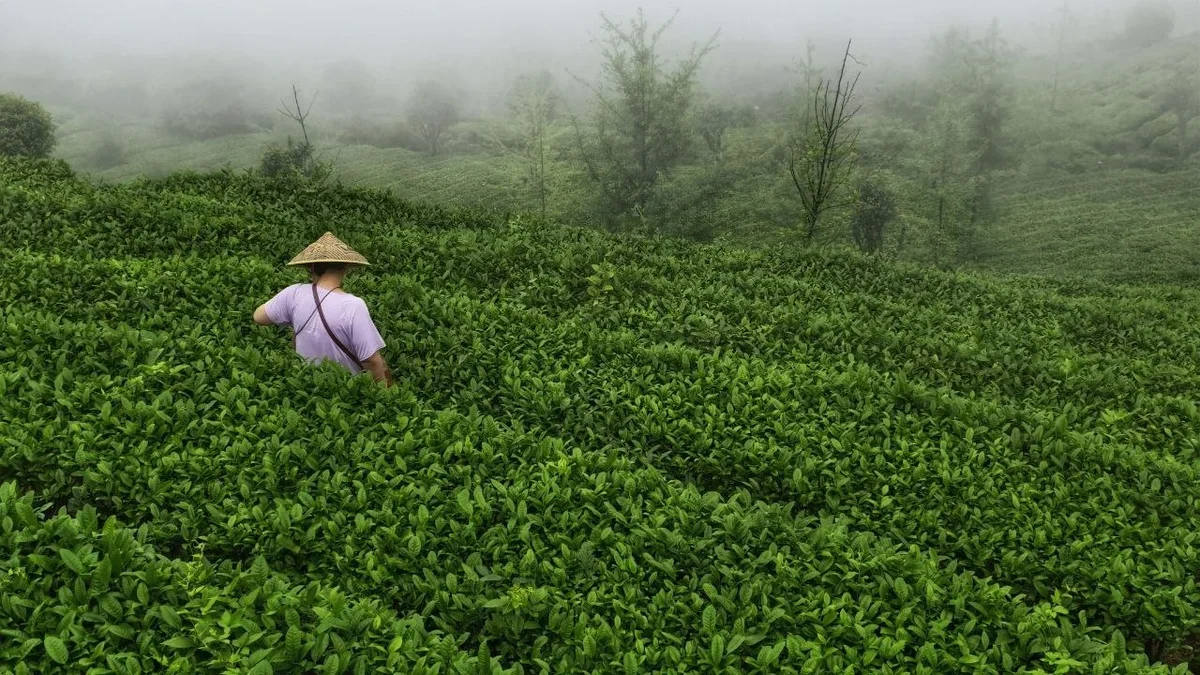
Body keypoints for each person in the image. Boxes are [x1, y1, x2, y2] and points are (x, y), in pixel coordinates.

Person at [253, 232, 393, 386]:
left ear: (311, 266)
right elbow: (372, 361)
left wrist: (294, 318)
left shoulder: (293, 293)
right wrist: (387, 396)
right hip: (346, 393)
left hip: (305, 386)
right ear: (345, 267)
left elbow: (258, 317)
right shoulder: (353, 305)